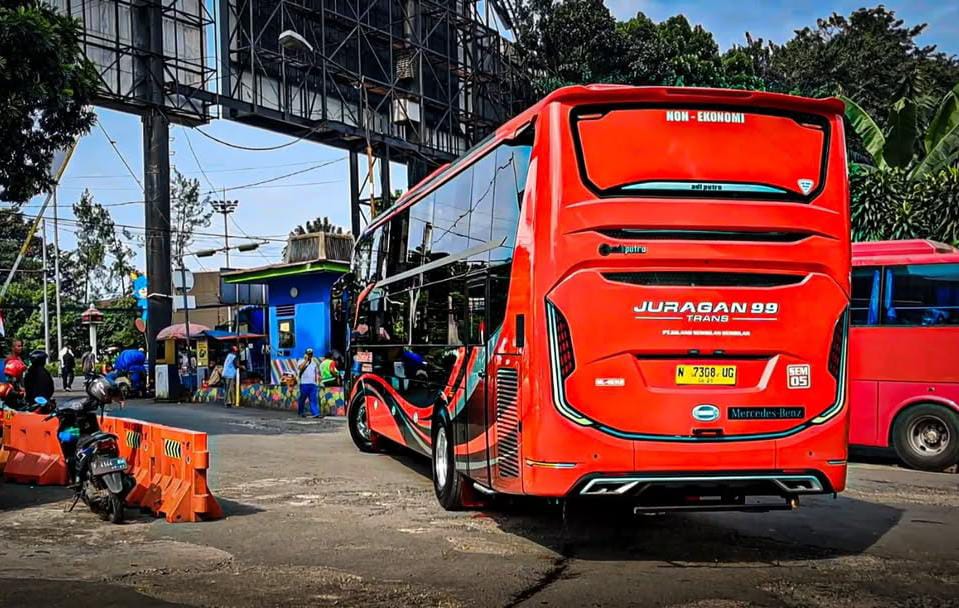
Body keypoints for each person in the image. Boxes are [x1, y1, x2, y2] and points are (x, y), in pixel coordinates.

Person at [297, 348, 322, 418]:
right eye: (308, 354)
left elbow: (315, 373)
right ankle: (300, 412)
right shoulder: (301, 361)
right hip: (304, 383)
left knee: (313, 399)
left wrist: (317, 381)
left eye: (311, 354)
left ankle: (315, 413)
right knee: (302, 399)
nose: (310, 355)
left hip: (312, 384)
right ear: (305, 354)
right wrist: (306, 360)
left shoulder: (314, 363)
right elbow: (300, 368)